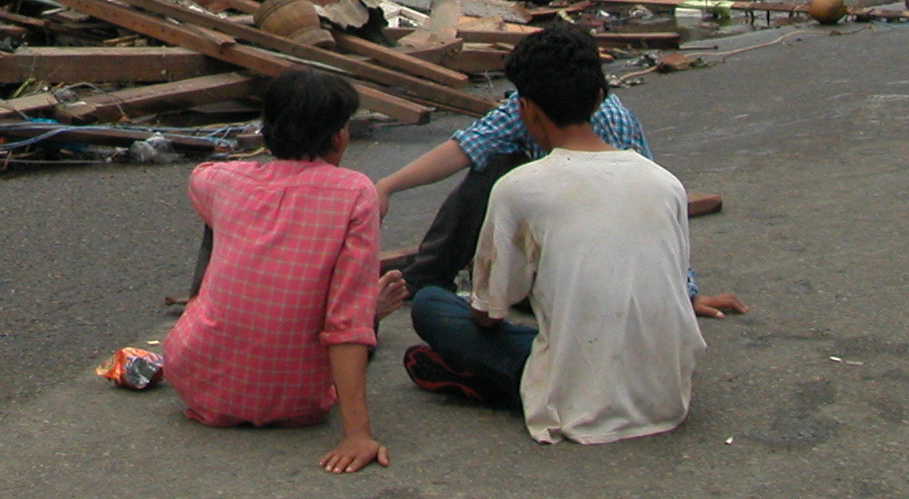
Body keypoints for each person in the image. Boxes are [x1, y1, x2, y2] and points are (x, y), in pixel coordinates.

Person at [400, 27, 746, 443]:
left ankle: (494, 380)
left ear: (524, 109)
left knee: (431, 306)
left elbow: (487, 315)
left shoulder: (517, 187)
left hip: (577, 400)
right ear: (600, 96)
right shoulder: (666, 184)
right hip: (668, 396)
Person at [163, 67, 397, 475]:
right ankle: (375, 318)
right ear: (339, 135)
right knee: (355, 315)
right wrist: (357, 432)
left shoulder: (221, 180)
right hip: (297, 400)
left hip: (196, 380)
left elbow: (201, 177)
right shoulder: (357, 193)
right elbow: (347, 319)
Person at [374, 63, 657, 296]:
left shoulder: (614, 130)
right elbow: (469, 146)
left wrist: (683, 289)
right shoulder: (525, 109)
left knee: (437, 310)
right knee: (496, 160)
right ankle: (429, 275)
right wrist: (388, 186)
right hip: (569, 258)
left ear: (528, 109)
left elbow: (645, 221)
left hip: (597, 267)